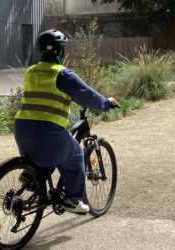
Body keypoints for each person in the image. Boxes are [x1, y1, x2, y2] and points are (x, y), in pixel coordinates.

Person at [14, 29, 119, 213]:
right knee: (76, 155)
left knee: (49, 151)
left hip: (22, 129)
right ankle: (73, 200)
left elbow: (43, 94)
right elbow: (86, 94)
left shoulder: (30, 71)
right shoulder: (62, 74)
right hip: (47, 131)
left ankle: (31, 175)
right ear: (61, 50)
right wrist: (105, 103)